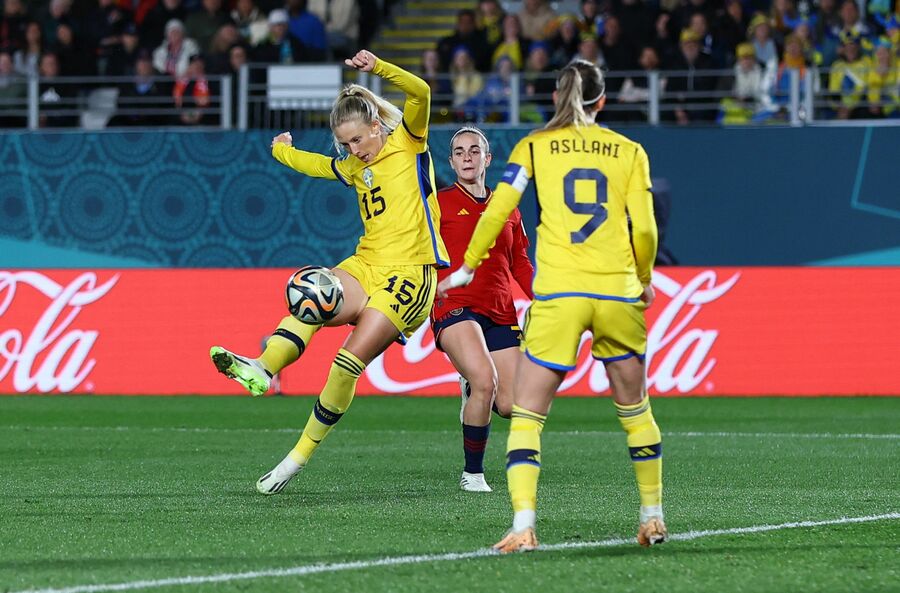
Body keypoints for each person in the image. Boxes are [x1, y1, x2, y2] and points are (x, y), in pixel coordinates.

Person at [437, 59, 665, 553]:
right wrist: (644, 280)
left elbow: (499, 209)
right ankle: (652, 515)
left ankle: (523, 525)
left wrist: (468, 265)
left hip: (560, 293)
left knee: (525, 414)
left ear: (557, 97)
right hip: (616, 290)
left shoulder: (535, 145)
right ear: (602, 101)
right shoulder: (630, 150)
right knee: (635, 408)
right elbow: (645, 229)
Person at [210, 49, 449, 495]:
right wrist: (283, 152)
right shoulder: (355, 166)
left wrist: (378, 68)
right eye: (346, 144)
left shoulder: (409, 141)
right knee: (311, 294)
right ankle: (262, 368)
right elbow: (318, 166)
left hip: (412, 273)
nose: (354, 150)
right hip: (366, 264)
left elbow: (421, 91)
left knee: (345, 363)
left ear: (375, 125)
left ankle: (295, 459)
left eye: (358, 140)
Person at [431, 126, 533, 492]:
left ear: (487, 159)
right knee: (485, 381)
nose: (467, 157)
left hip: (500, 311)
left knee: (510, 405)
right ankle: (472, 474)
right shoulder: (437, 204)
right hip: (455, 306)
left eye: (474, 150)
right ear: (451, 161)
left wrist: (542, 297)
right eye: (459, 152)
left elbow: (520, 262)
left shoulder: (507, 208)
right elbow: (418, 254)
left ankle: (472, 386)